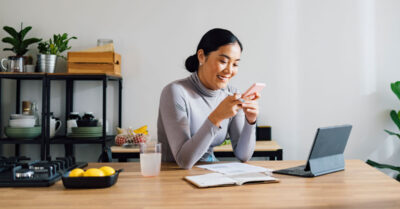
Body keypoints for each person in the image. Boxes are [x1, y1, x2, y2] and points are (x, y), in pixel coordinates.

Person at [157, 28, 260, 169]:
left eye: (235, 64)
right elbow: (184, 161)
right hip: (174, 177)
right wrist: (217, 117)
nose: (230, 70)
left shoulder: (231, 94)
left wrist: (250, 121)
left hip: (209, 174)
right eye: (223, 61)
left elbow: (243, 155)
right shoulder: (175, 92)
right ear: (201, 56)